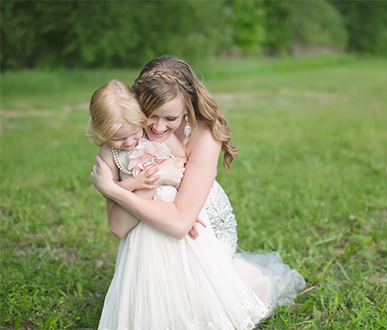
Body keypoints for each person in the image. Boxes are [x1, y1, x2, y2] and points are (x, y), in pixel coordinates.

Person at [90, 57, 305, 326]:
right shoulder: (129, 130)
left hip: (203, 223)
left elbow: (180, 222)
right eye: (150, 116)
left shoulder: (205, 135)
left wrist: (111, 188)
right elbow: (120, 225)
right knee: (151, 230)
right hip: (160, 215)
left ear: (187, 108)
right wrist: (138, 186)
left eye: (170, 118)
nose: (157, 128)